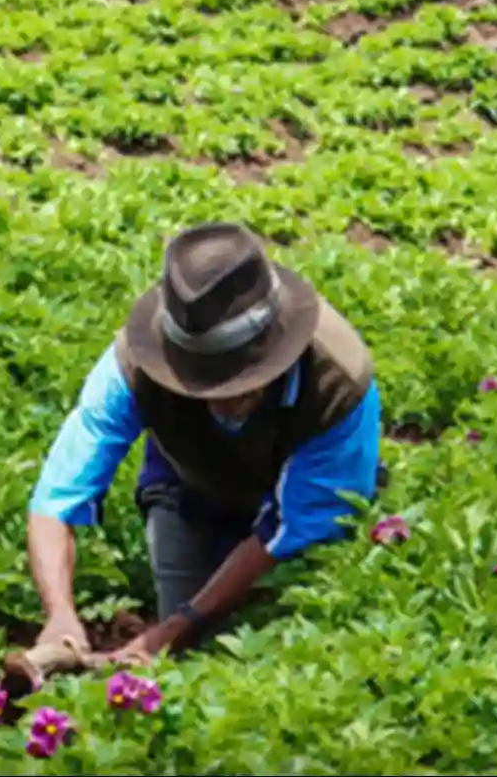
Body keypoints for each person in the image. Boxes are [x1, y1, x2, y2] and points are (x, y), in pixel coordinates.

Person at [25, 222, 382, 667]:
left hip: (302, 519)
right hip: (190, 490)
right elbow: (58, 495)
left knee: (279, 651)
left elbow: (296, 527)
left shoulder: (338, 380)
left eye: (240, 381)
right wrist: (60, 616)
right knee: (194, 658)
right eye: (204, 382)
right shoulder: (133, 365)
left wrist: (177, 628)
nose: (223, 400)